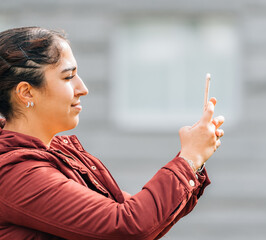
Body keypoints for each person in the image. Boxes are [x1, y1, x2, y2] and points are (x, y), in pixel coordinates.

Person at [0, 26, 224, 240]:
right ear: (26, 93)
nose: (83, 88)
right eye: (68, 77)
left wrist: (193, 161)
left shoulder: (59, 153)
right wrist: (189, 159)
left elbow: (145, 217)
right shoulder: (16, 172)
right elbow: (127, 226)